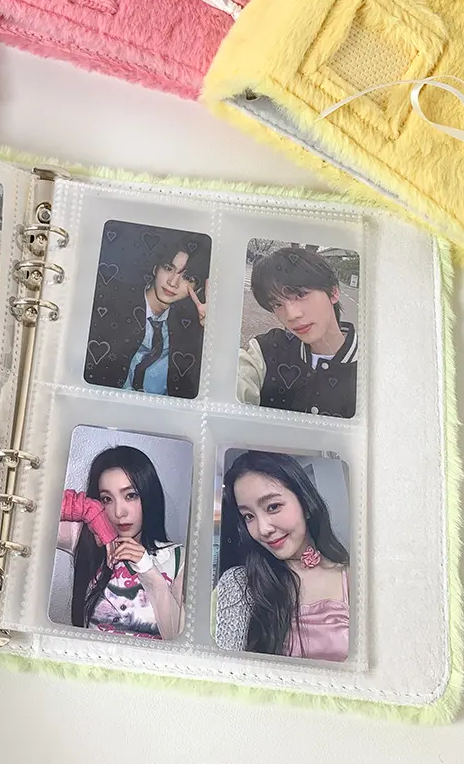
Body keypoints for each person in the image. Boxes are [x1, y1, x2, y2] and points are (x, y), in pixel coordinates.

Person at [214, 450, 350, 662]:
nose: (263, 529)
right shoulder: (240, 584)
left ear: (306, 503)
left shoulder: (354, 578)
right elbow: (225, 670)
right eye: (248, 516)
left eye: (273, 507)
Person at [57, 446, 185, 640]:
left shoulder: (178, 558)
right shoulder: (89, 540)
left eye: (130, 495)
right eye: (106, 499)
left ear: (148, 495)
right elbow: (29, 511)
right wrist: (90, 511)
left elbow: (177, 637)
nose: (119, 512)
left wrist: (147, 568)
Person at [237, 246, 358, 417]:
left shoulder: (375, 369)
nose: (291, 315)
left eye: (300, 295)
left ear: (333, 292)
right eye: (277, 304)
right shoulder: (267, 350)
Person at [84, 236, 207, 398]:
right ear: (156, 268)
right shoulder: (109, 305)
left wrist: (207, 331)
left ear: (196, 288)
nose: (173, 283)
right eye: (168, 268)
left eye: (186, 278)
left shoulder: (189, 327)